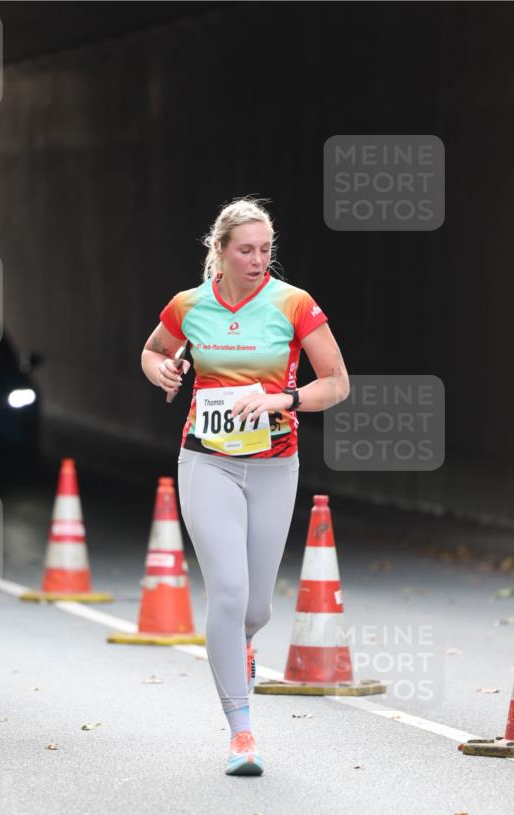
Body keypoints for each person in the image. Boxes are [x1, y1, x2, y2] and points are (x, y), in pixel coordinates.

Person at [141, 197, 349, 776]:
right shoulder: (190, 306)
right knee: (228, 592)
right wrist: (159, 368)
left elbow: (337, 382)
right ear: (221, 251)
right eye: (246, 250)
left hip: (274, 463)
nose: (258, 261)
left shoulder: (293, 304)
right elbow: (154, 349)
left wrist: (286, 398)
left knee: (255, 605)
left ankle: (243, 646)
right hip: (205, 462)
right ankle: (241, 733)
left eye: (265, 251)